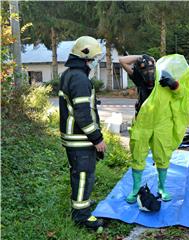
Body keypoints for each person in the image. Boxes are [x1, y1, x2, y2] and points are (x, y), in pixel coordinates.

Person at [119, 54, 189, 203]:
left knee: (163, 155)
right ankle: (136, 189)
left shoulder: (164, 78)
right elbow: (122, 61)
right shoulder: (139, 79)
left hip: (162, 123)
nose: (148, 73)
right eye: (144, 70)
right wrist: (141, 56)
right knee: (138, 155)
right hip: (142, 123)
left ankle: (162, 188)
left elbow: (182, 96)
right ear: (140, 71)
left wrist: (175, 85)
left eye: (151, 69)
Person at [59, 36, 106, 230]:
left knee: (79, 175)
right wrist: (97, 139)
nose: (96, 62)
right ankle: (82, 216)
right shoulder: (79, 79)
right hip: (80, 138)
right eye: (94, 58)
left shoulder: (70, 74)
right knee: (84, 175)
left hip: (74, 137)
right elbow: (83, 115)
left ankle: (82, 203)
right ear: (85, 56)